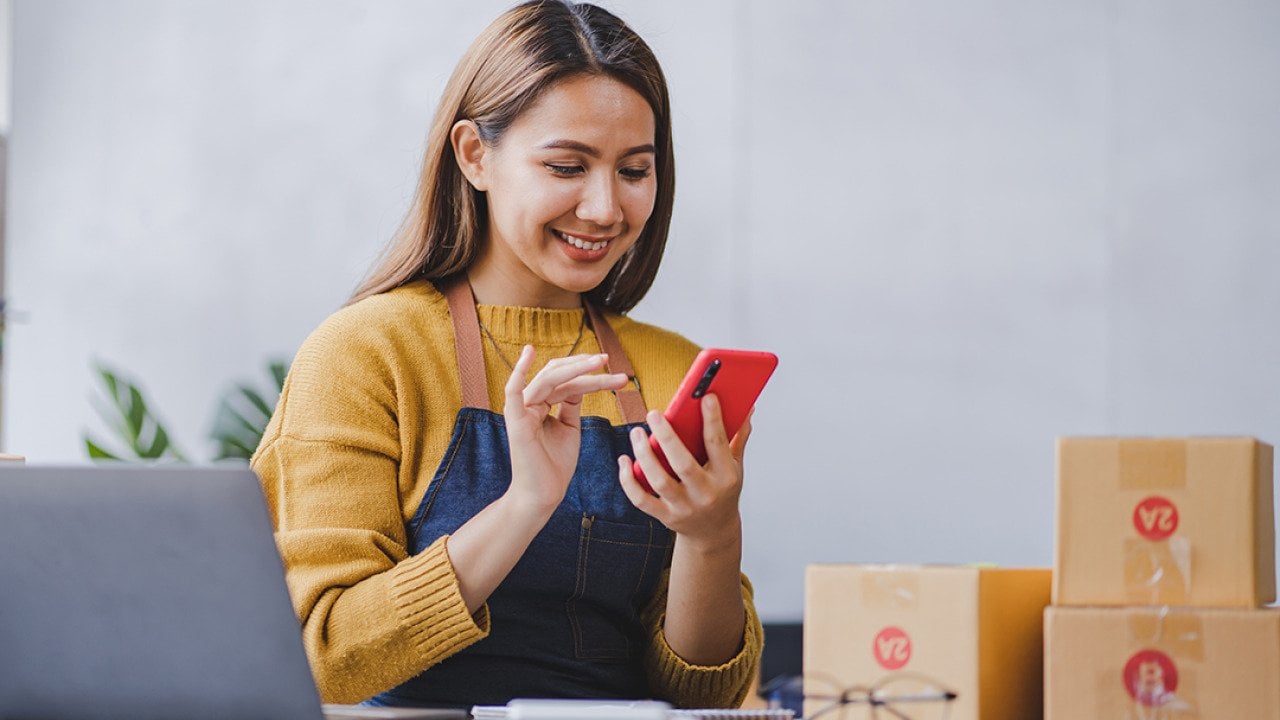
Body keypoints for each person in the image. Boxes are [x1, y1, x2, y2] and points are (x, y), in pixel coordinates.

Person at [251, 0, 763, 709]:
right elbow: (326, 653)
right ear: (474, 154)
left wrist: (711, 537)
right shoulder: (366, 354)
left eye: (634, 170)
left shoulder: (676, 371)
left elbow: (706, 693)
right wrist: (523, 504)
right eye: (566, 166)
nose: (604, 208)